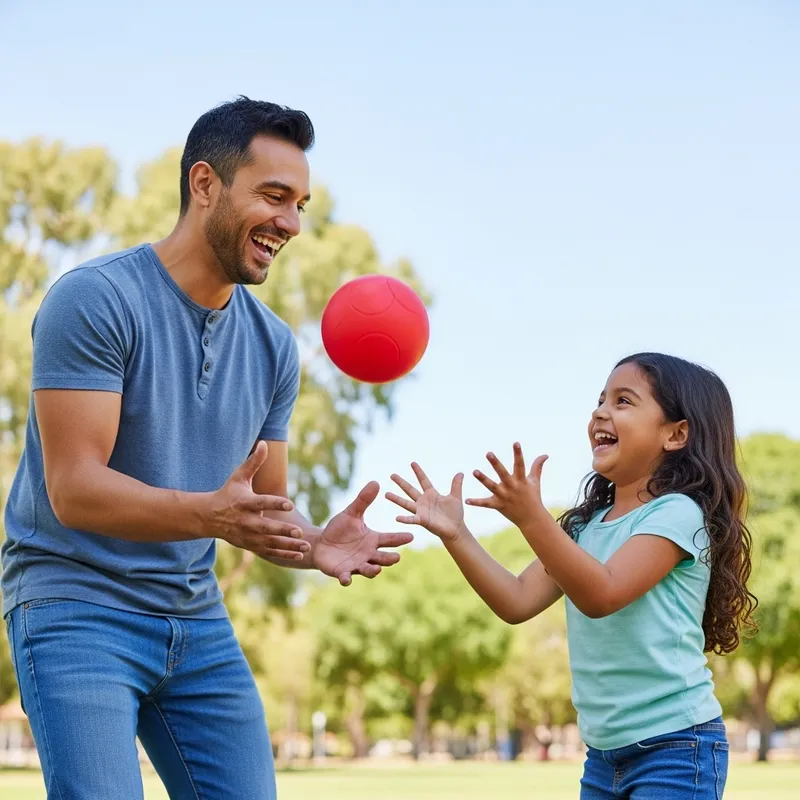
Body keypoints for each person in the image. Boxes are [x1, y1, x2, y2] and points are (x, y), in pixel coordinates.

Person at [1, 96, 413, 800]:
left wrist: (312, 543)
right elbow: (73, 489)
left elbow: (257, 509)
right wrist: (207, 515)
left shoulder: (275, 347)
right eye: (275, 196)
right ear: (204, 185)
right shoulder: (95, 300)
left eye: (301, 205)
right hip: (76, 606)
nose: (290, 222)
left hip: (194, 618)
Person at [387, 352, 757, 800]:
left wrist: (531, 519)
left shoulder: (677, 514)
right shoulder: (584, 527)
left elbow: (602, 594)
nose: (601, 411)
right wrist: (457, 534)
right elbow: (516, 600)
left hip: (677, 747)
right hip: (603, 755)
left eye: (624, 401)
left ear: (676, 434)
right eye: (601, 399)